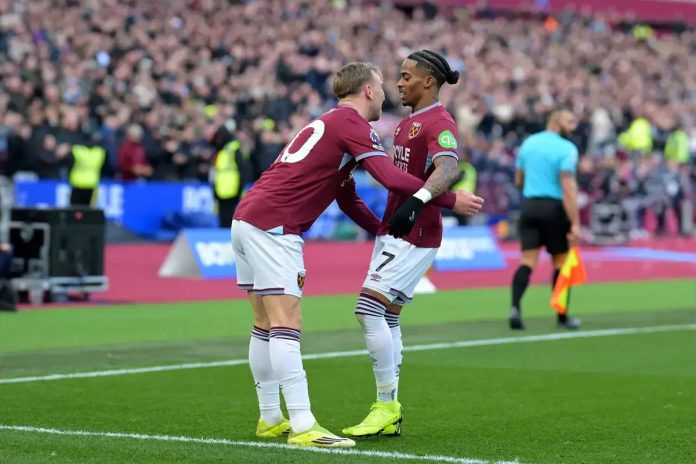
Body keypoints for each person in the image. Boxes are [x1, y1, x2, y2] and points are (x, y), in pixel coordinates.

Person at [231, 62, 481, 448]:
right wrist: (449, 200)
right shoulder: (353, 124)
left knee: (263, 323)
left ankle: (270, 418)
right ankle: (303, 424)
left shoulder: (327, 123)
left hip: (246, 218)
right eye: (381, 85)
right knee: (286, 322)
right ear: (367, 90)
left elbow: (346, 196)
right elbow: (388, 177)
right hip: (275, 225)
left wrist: (380, 228)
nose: (388, 90)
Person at [341, 50, 484, 438]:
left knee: (368, 308)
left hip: (415, 232)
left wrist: (418, 202)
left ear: (428, 81)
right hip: (395, 228)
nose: (399, 83)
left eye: (406, 76)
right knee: (387, 316)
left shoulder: (439, 121)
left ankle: (386, 405)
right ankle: (388, 410)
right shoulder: (409, 122)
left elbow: (448, 168)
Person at [509, 109, 582, 330]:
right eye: (569, 122)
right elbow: (568, 187)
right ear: (556, 122)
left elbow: (518, 180)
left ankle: (515, 308)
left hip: (530, 206)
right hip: (554, 208)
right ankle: (562, 316)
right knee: (560, 262)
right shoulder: (567, 148)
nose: (573, 127)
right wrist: (575, 222)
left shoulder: (528, 143)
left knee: (527, 261)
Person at [211, 123, 250, 228]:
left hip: (232, 189)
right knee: (222, 217)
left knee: (231, 217)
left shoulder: (234, 148)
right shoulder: (220, 150)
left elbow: (243, 169)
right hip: (221, 189)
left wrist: (241, 187)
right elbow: (216, 172)